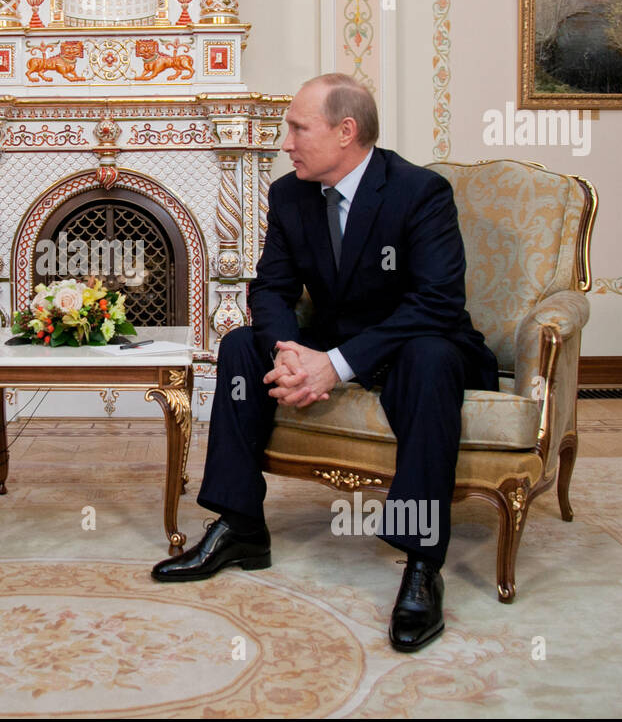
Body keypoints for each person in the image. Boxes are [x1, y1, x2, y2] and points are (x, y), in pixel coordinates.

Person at [152, 74, 498, 652]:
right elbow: (270, 289)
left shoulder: (419, 192)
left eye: (297, 128)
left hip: (418, 344)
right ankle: (241, 526)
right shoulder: (290, 195)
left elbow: (437, 303)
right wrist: (291, 352)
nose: (285, 143)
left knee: (431, 358)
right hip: (327, 342)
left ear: (346, 131)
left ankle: (420, 563)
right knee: (241, 346)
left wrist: (335, 365)